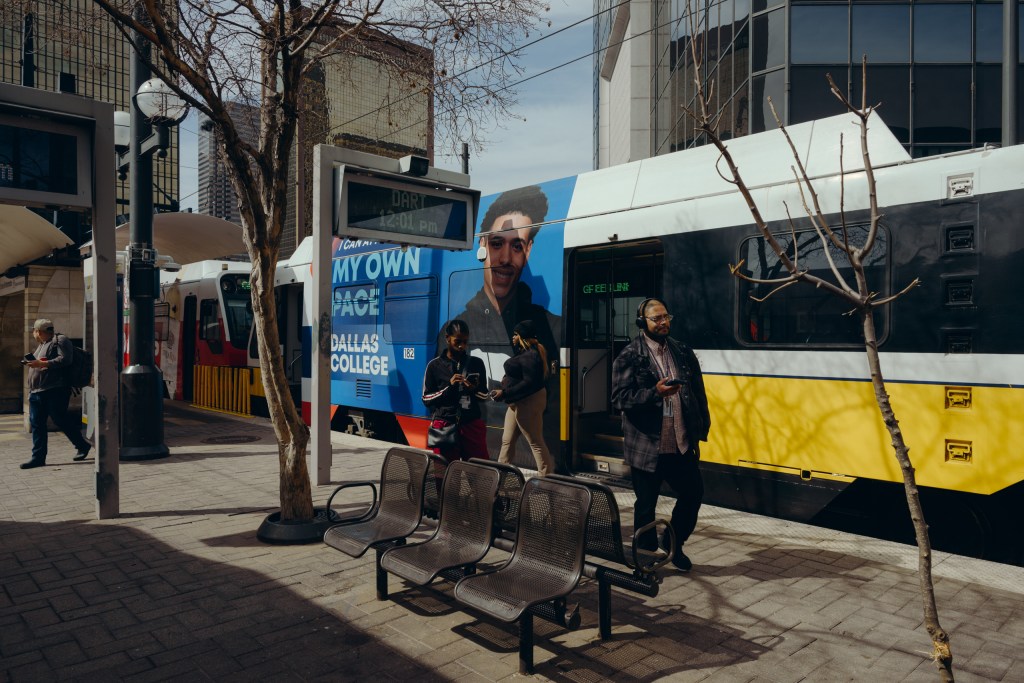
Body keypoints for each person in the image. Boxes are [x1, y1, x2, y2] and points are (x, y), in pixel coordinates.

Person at [610, 298, 711, 571]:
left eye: (666, 316)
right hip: (647, 445)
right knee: (646, 507)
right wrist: (655, 393)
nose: (663, 322)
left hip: (679, 442)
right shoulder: (630, 355)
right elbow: (619, 398)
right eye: (657, 318)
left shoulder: (682, 351)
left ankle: (673, 544)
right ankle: (644, 561)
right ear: (643, 323)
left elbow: (698, 392)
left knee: (693, 494)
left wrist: (701, 428)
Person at [21, 318, 92, 469]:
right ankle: (38, 458)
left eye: (34, 331)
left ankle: (81, 445)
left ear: (38, 331)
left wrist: (42, 363)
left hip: (55, 390)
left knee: (60, 419)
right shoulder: (42, 345)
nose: (33, 333)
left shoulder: (60, 340)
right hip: (36, 392)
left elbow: (66, 360)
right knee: (37, 424)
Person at [492, 320, 555, 477]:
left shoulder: (531, 355)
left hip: (528, 402)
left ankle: (546, 477)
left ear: (522, 337)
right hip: (516, 402)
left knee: (535, 441)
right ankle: (500, 476)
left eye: (515, 335)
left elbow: (528, 383)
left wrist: (505, 393)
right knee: (507, 440)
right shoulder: (525, 353)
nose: (512, 338)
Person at [421, 319, 490, 462]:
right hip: (444, 425)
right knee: (444, 474)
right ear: (447, 338)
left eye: (465, 342)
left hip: (471, 424)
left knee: (478, 473)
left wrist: (473, 389)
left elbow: (484, 395)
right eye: (457, 341)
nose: (462, 346)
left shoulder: (476, 363)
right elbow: (426, 399)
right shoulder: (434, 366)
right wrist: (449, 388)